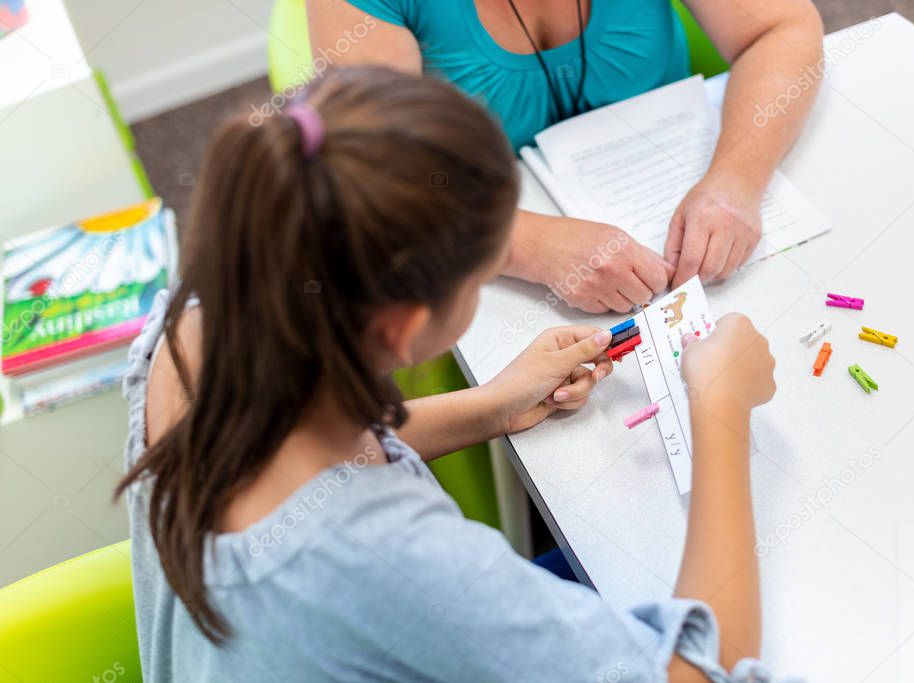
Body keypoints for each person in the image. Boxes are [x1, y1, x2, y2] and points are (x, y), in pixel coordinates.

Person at [118, 67, 779, 682]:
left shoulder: (195, 324)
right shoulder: (389, 559)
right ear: (406, 328)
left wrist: (492, 405)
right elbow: (697, 672)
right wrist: (719, 410)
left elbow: (304, 457)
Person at [307, 0, 824, 312]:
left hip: (665, 202)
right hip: (473, 250)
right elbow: (372, 174)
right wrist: (525, 244)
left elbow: (780, 29)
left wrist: (735, 178)